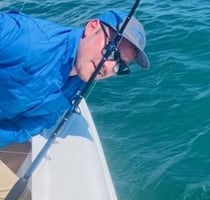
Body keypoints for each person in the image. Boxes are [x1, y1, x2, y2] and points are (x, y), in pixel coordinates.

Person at [0, 9, 150, 148]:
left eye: (120, 66)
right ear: (92, 27)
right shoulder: (25, 38)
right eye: (112, 52)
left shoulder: (78, 83)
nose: (109, 67)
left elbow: (39, 121)